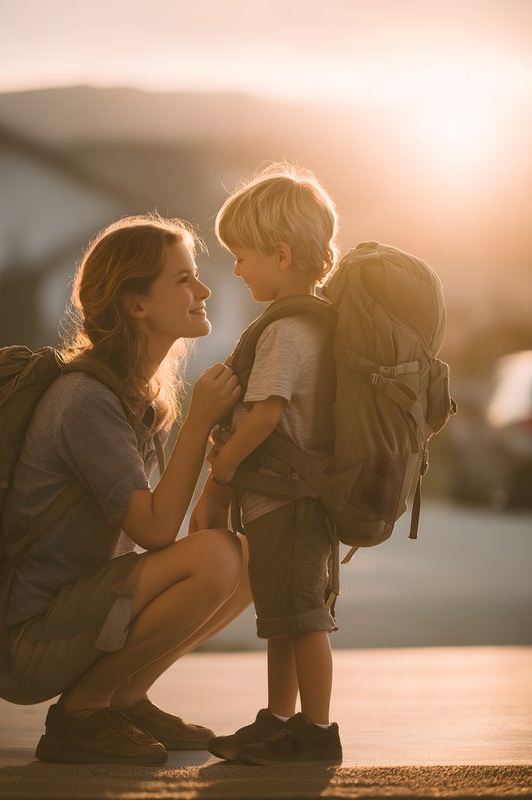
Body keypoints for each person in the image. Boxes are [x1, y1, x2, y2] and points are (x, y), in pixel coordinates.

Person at [0, 214, 252, 765]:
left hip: (80, 611)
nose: (204, 289)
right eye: (183, 278)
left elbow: (155, 537)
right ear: (136, 304)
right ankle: (82, 712)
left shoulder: (138, 397)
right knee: (218, 556)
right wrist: (201, 423)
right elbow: (154, 529)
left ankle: (123, 696)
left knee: (251, 558)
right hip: (24, 640)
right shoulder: (86, 400)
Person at [192, 164, 343, 765]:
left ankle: (316, 730)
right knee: (281, 614)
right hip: (287, 500)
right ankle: (281, 718)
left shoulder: (287, 331)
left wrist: (221, 473)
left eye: (242, 256)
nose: (235, 269)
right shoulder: (308, 322)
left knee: (303, 618)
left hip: (289, 500)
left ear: (281, 254)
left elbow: (264, 414)